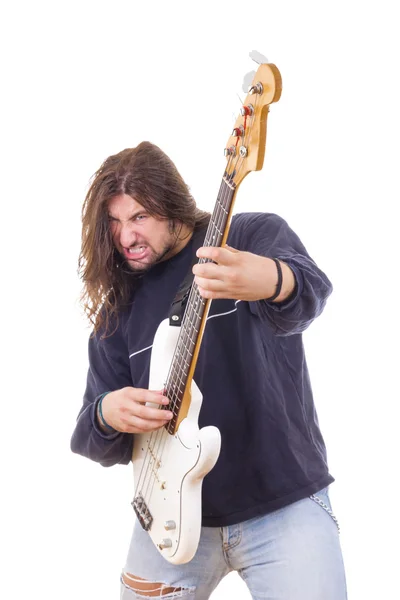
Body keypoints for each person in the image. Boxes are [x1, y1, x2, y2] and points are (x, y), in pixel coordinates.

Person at [70, 141, 347, 599]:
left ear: (173, 206)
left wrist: (273, 280)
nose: (125, 237)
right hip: (168, 518)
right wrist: (107, 413)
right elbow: (88, 434)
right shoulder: (117, 313)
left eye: (139, 217)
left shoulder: (247, 238)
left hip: (282, 502)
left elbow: (312, 292)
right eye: (114, 223)